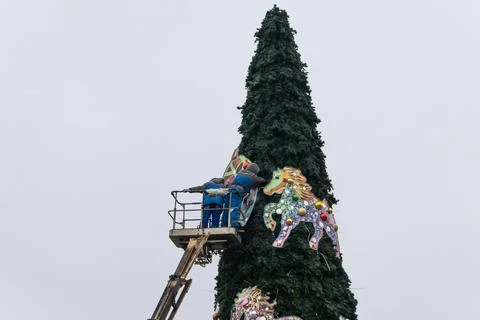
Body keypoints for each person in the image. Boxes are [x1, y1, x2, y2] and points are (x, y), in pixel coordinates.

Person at [222, 163, 266, 228]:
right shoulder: (253, 176)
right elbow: (262, 180)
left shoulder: (239, 173)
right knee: (235, 208)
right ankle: (234, 225)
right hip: (237, 192)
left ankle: (224, 225)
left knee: (227, 209)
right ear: (255, 171)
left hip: (229, 191)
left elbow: (229, 182)